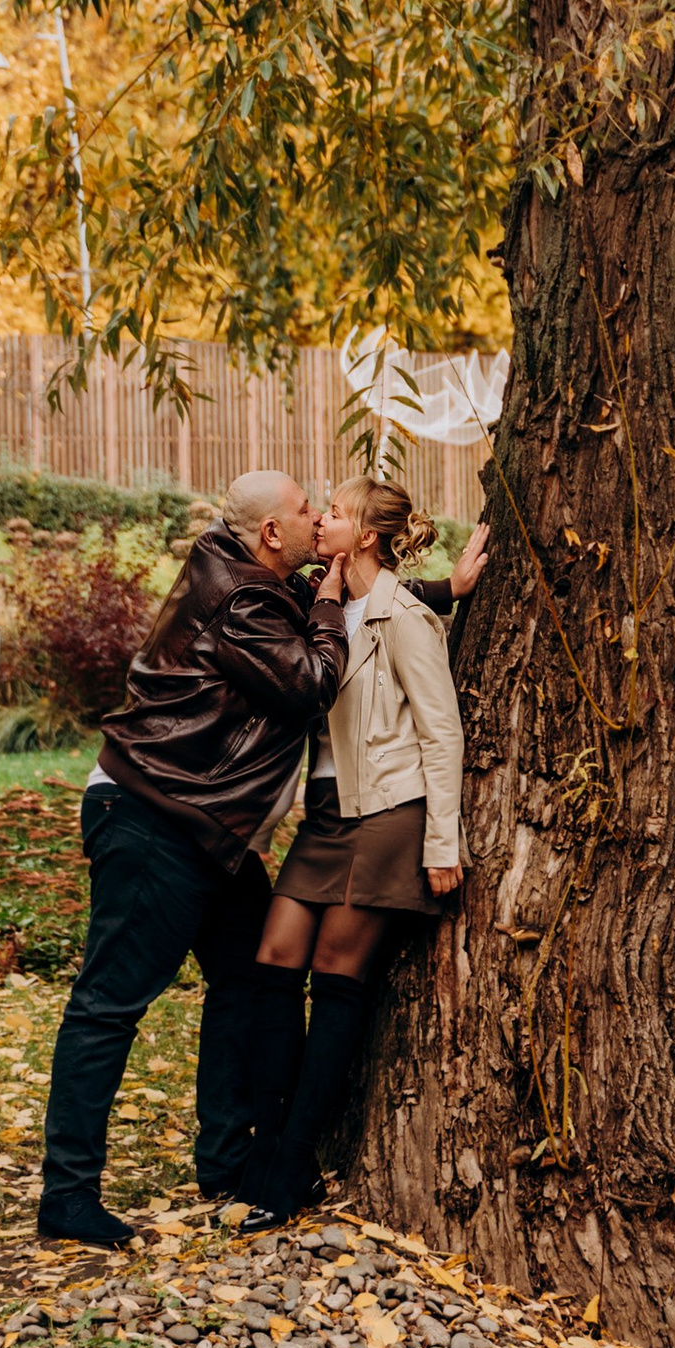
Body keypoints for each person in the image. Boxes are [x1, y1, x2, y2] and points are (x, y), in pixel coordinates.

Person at [37, 467, 347, 1250]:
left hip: (205, 829)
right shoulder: (244, 599)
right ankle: (67, 1195)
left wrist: (437, 588)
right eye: (305, 508)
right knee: (109, 1003)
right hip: (156, 817)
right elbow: (310, 681)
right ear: (270, 533)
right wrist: (332, 604)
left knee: (248, 979)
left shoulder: (249, 578)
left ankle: (228, 1161)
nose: (317, 516)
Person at [235, 473, 477, 1227]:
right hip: (326, 816)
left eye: (334, 513)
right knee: (274, 958)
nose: (320, 520)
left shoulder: (405, 618)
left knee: (337, 972)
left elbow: (442, 733)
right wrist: (447, 586)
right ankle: (271, 1144)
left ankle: (290, 1166)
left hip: (389, 812)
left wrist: (443, 841)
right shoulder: (322, 601)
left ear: (365, 535)